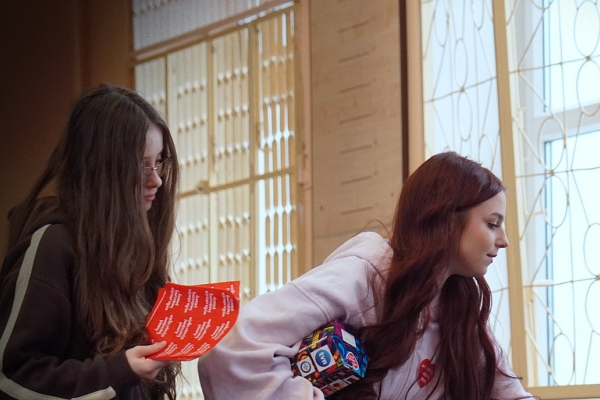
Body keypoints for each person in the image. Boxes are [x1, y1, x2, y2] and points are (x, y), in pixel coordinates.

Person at [197, 151, 538, 400]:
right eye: (492, 224)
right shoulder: (363, 274)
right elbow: (233, 347)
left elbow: (506, 391)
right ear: (446, 221)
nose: (503, 240)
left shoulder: (458, 305)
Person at [0, 84, 181, 399]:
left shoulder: (136, 250)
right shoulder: (51, 247)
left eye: (159, 161)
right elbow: (11, 375)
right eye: (142, 165)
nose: (156, 180)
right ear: (102, 169)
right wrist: (117, 370)